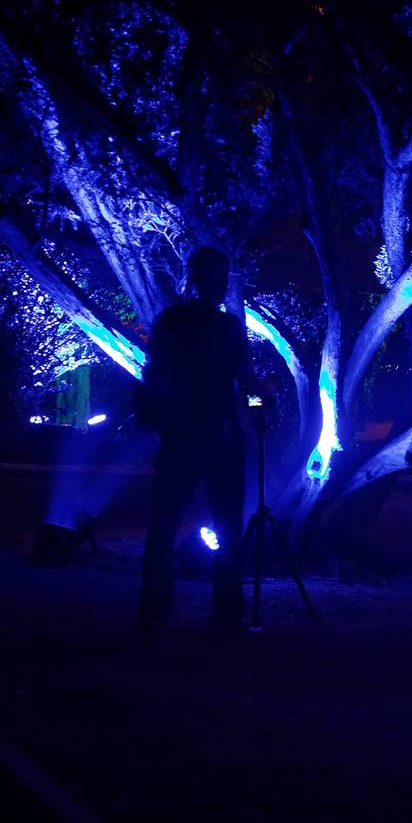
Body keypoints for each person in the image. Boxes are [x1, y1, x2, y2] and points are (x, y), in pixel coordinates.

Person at [136, 245, 256, 632]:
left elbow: (153, 373)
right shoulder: (226, 327)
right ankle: (226, 614)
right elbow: (245, 378)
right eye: (217, 278)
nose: (221, 286)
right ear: (201, 279)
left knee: (165, 525)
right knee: (226, 525)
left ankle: (154, 611)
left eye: (224, 278)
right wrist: (259, 406)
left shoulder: (171, 322)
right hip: (216, 436)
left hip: (181, 435)